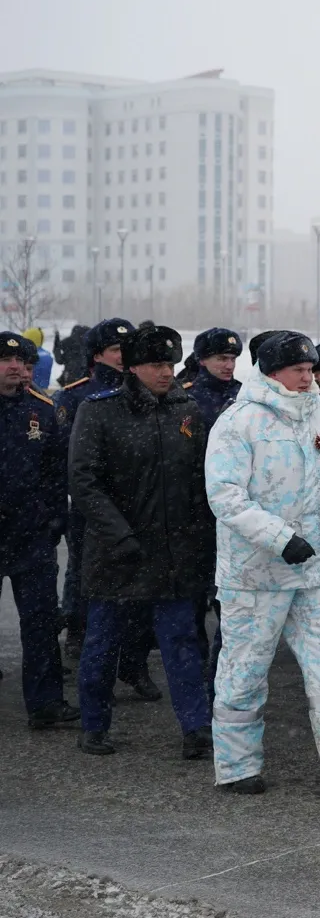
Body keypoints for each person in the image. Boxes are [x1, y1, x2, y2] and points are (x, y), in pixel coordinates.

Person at [203, 331, 320, 796]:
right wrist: (279, 538)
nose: (308, 378)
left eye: (311, 370)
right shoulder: (238, 423)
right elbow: (225, 496)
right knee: (245, 670)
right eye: (298, 370)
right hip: (256, 574)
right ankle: (236, 765)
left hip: (315, 572)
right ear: (271, 372)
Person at [65, 325, 215, 759]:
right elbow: (85, 482)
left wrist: (199, 536)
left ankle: (196, 729)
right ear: (132, 368)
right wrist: (121, 535)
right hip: (119, 554)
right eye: (155, 365)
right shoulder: (100, 411)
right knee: (102, 644)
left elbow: (199, 480)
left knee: (182, 643)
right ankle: (93, 725)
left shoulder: (186, 409)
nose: (166, 372)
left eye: (170, 363)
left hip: (173, 553)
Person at [54, 318, 158, 698]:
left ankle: (133, 663)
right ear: (98, 355)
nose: (123, 356)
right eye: (116, 350)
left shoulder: (149, 392)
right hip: (94, 512)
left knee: (143, 591)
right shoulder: (76, 397)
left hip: (142, 509)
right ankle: (83, 651)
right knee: (89, 586)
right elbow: (67, 465)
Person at [0, 331, 78, 730]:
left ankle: (45, 702)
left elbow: (55, 476)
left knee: (41, 621)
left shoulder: (44, 411)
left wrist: (53, 522)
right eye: (8, 361)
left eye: (25, 363)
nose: (18, 368)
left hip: (31, 535)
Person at [181, 329, 244, 424]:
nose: (230, 366)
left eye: (233, 359)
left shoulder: (243, 393)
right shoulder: (187, 398)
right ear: (202, 360)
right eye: (222, 359)